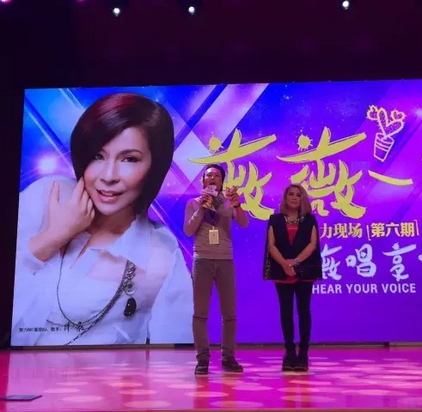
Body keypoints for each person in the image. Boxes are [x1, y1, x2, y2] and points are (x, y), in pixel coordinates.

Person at [11, 92, 193, 346]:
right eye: (98, 156)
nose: (108, 176)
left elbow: (175, 356)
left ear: (155, 166)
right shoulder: (48, 195)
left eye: (129, 159)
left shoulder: (159, 254)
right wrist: (53, 237)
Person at [183, 164, 249, 375]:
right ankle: (202, 359)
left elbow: (244, 223)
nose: (212, 178)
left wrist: (236, 205)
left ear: (222, 181)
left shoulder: (229, 202)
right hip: (202, 260)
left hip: (225, 260)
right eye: (209, 175)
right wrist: (202, 208)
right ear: (203, 181)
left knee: (229, 313)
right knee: (200, 313)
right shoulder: (193, 203)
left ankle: (228, 357)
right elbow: (188, 230)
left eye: (217, 176)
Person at [263, 184, 322, 372]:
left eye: (298, 195)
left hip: (304, 270)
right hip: (281, 271)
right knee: (286, 312)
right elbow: (271, 245)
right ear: (285, 197)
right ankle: (289, 352)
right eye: (291, 194)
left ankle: (303, 353)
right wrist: (284, 264)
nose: (294, 197)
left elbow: (312, 245)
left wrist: (294, 263)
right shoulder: (275, 219)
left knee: (304, 312)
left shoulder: (310, 219)